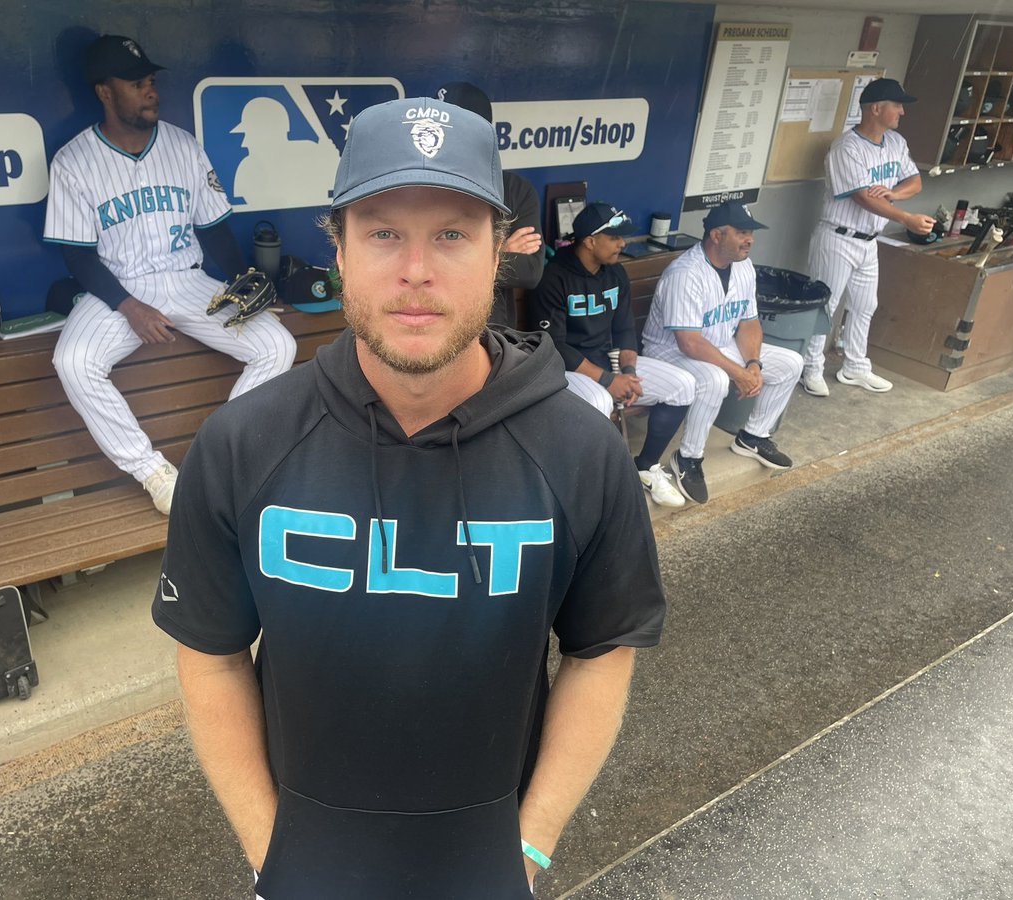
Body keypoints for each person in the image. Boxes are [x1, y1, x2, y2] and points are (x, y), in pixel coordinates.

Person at [152, 97, 666, 899]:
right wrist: (268, 847)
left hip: (489, 855)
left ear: (500, 252)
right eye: (384, 231)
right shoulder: (243, 443)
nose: (416, 270)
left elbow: (603, 651)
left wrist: (531, 846)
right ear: (340, 249)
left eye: (453, 233)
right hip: (303, 852)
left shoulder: (581, 450)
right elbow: (211, 653)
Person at [44, 35, 296, 514]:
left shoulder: (182, 145)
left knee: (277, 345)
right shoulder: (74, 162)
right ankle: (155, 473)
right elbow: (77, 257)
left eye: (151, 81)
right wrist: (129, 307)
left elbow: (215, 230)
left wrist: (244, 278)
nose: (150, 91)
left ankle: (217, 460)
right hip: (118, 289)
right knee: (73, 362)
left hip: (188, 278)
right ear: (105, 92)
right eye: (136, 83)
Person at [528, 201, 694, 508]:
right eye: (615, 237)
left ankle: (645, 466)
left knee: (683, 384)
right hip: (566, 368)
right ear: (591, 241)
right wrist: (607, 380)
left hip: (607, 360)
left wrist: (627, 373)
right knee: (600, 401)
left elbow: (624, 330)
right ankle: (584, 490)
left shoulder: (614, 274)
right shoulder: (554, 277)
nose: (623, 243)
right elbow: (555, 345)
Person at [642, 200, 803, 505]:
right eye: (742, 232)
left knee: (790, 363)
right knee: (715, 379)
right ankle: (688, 458)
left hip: (718, 343)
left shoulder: (744, 267)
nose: (750, 239)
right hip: (667, 350)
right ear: (716, 236)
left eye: (751, 232)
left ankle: (753, 436)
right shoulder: (686, 273)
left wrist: (753, 364)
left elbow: (749, 322)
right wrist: (737, 371)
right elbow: (689, 342)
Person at [802, 77, 936, 397]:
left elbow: (914, 181)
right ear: (876, 108)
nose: (902, 112)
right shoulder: (846, 147)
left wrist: (895, 193)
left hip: (869, 241)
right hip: (838, 237)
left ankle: (855, 367)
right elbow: (862, 197)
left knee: (865, 305)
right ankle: (810, 368)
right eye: (896, 105)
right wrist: (906, 218)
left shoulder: (895, 142)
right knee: (825, 305)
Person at [435, 81, 544, 329]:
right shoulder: (418, 188)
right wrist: (498, 252)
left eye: (453, 129)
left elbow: (530, 271)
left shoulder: (516, 189)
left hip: (492, 333)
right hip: (432, 324)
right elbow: (424, 263)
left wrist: (457, 254)